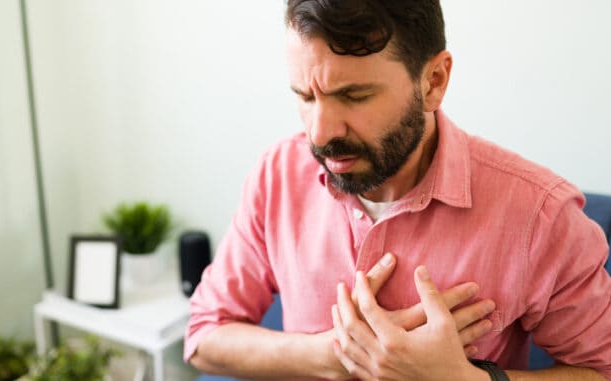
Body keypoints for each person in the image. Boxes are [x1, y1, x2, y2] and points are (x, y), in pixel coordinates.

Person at [184, 1, 611, 380]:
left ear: (434, 81)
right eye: (305, 97)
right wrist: (336, 354)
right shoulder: (275, 176)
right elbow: (204, 336)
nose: (320, 133)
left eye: (353, 95)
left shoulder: (539, 215)